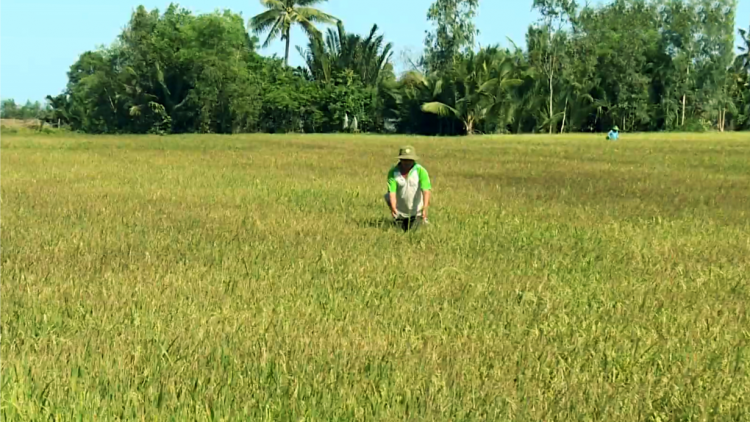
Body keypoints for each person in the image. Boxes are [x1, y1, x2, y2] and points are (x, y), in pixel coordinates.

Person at [384, 146, 432, 231]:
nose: (407, 162)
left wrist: (424, 209)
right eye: (404, 160)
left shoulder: (421, 171)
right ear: (400, 159)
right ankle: (399, 220)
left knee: (414, 230)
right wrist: (393, 208)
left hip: (416, 211)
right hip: (400, 210)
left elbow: (426, 191)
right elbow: (392, 192)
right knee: (398, 230)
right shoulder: (393, 172)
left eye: (410, 160)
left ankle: (422, 220)